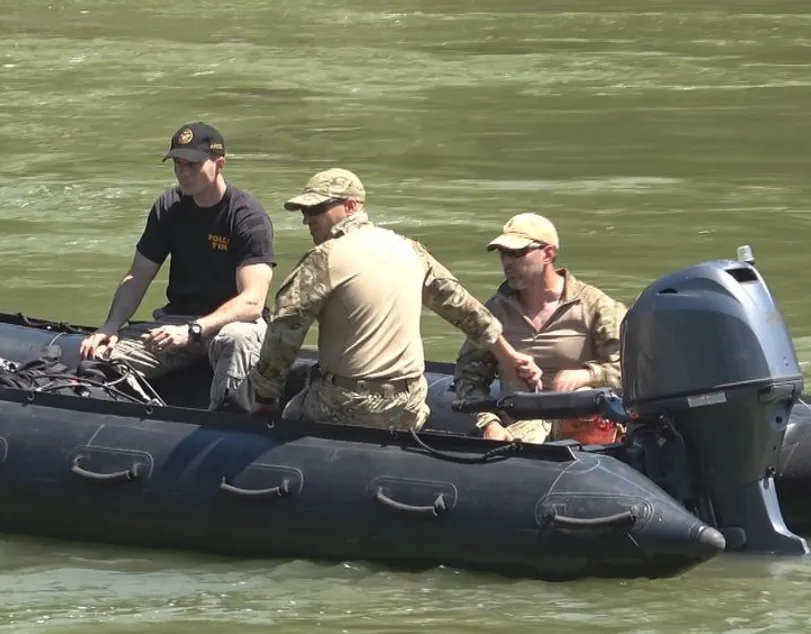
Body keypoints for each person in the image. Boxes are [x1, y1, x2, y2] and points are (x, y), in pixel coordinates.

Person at [247, 168, 542, 430]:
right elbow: (466, 310)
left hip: (349, 403)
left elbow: (284, 330)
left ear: (351, 206)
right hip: (409, 404)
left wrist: (265, 396)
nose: (307, 220)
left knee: (289, 415)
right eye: (304, 212)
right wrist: (510, 356)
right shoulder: (411, 250)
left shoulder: (323, 259)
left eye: (317, 210)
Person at [78, 122, 276, 410]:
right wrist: (111, 326)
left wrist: (194, 329)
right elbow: (139, 275)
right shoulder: (168, 207)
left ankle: (227, 422)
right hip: (177, 322)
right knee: (101, 357)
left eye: (192, 165)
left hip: (231, 325)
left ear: (219, 163)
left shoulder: (247, 216)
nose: (183, 173)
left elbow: (252, 302)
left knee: (237, 338)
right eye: (178, 164)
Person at [454, 212, 628, 443]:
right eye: (504, 254)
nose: (507, 262)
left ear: (548, 253)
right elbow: (469, 377)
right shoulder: (494, 312)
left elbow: (628, 373)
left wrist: (586, 375)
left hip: (578, 428)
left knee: (585, 398)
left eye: (517, 253)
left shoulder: (597, 306)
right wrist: (490, 423)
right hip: (519, 427)